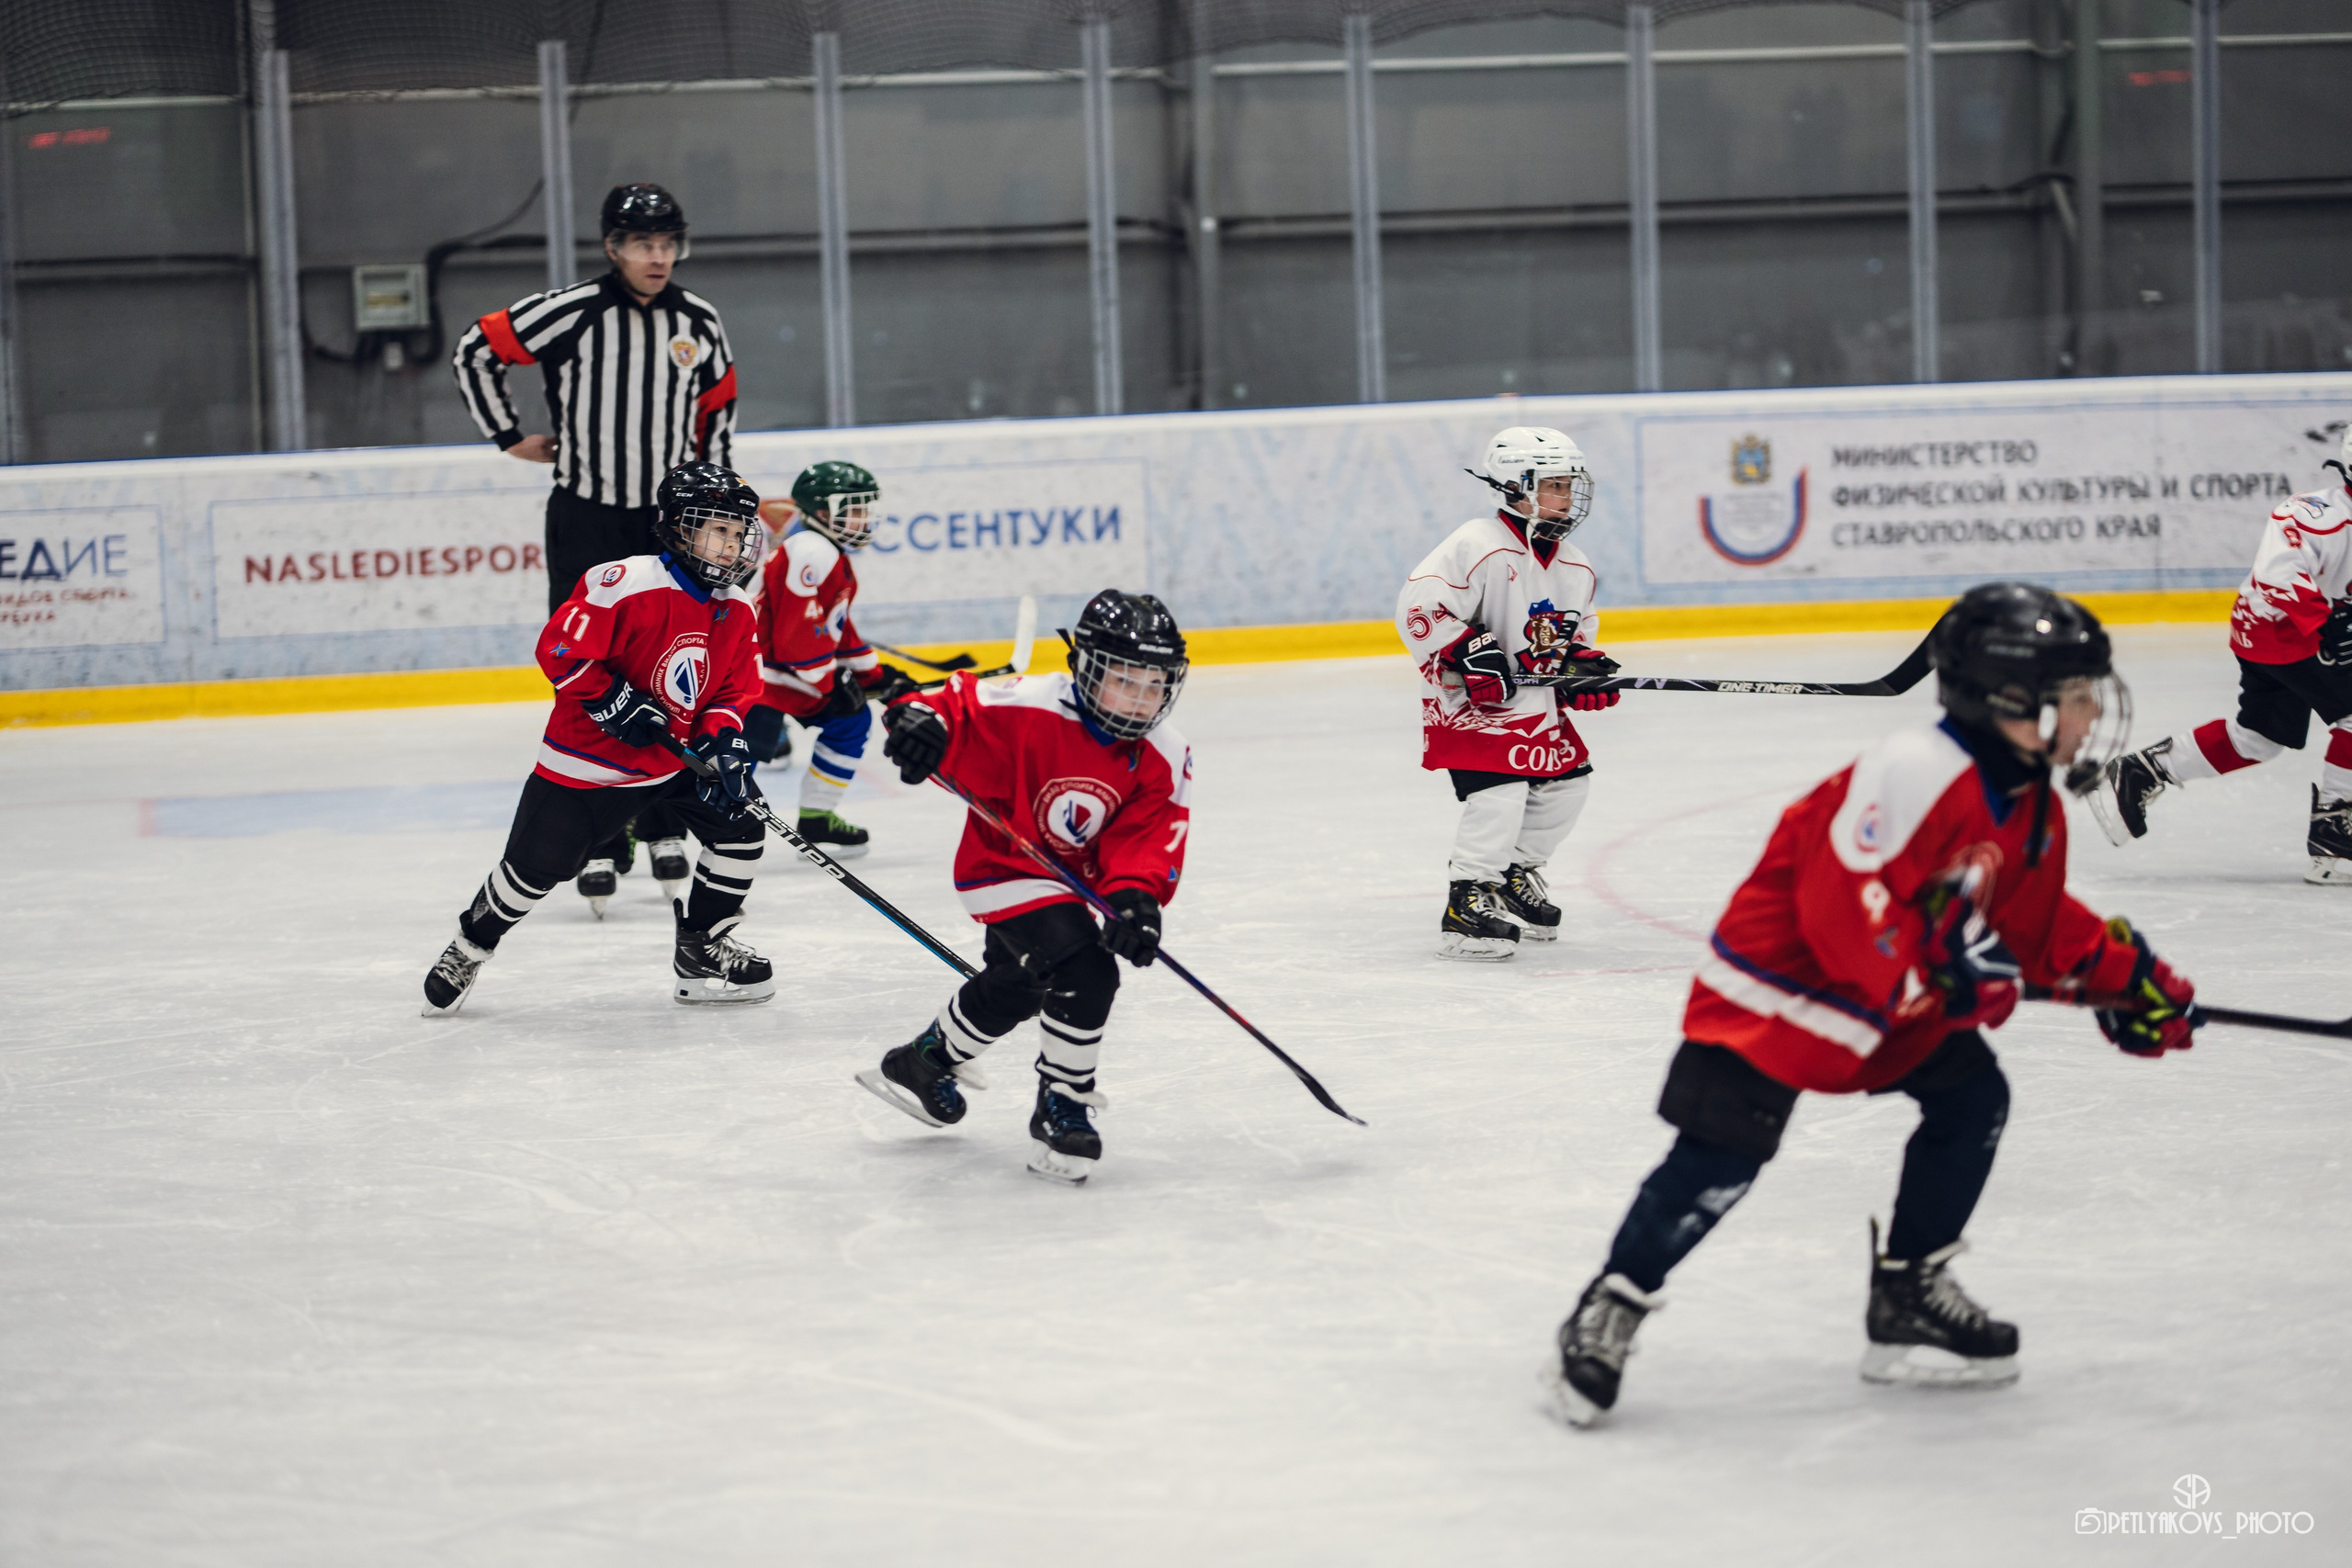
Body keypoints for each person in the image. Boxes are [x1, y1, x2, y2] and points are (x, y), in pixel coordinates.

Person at [1543, 583, 2200, 1428]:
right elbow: (1842, 906)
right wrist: (1943, 979)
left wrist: (2129, 979)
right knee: (1719, 1158)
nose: (2088, 717)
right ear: (2010, 697)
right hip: (1778, 992)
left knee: (1972, 1100)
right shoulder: (1915, 769)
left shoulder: (2031, 800)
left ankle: (1910, 1290)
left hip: (1899, 990)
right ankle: (1613, 1302)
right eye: (2073, 697)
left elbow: (2033, 922)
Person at [453, 182, 739, 911]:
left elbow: (718, 414)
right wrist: (510, 437)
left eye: (668, 243)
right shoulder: (572, 311)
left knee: (677, 670)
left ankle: (664, 815)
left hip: (669, 526)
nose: (657, 256)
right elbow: (476, 349)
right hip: (585, 514)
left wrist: (720, 511)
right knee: (588, 663)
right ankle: (604, 826)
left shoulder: (698, 321)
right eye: (643, 244)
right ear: (613, 248)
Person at [853, 590, 1193, 1185]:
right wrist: (919, 724)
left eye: (1154, 684)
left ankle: (922, 1061)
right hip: (1003, 865)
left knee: (1022, 984)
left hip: (1069, 882)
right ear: (1085, 668)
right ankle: (1062, 1106)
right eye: (1124, 681)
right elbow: (948, 705)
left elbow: (1149, 831)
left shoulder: (1166, 753)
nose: (1141, 700)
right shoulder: (1030, 702)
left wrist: (1136, 896)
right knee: (1086, 972)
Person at [420, 463, 776, 1015]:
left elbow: (732, 691)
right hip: (587, 765)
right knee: (530, 876)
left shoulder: (736, 609)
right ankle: (471, 945)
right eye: (717, 529)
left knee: (742, 829)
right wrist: (609, 698)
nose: (730, 546)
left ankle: (702, 949)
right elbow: (558, 650)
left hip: (670, 763)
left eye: (737, 533)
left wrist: (724, 740)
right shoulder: (625, 583)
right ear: (680, 528)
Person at [2086, 423, 2352, 883]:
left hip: (2289, 632)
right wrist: (2326, 624)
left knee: (2260, 738)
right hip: (2279, 631)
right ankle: (2335, 831)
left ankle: (2144, 771)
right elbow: (2277, 573)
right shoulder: (2315, 514)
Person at [1396, 426, 1620, 961]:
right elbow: (1419, 609)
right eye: (1556, 485)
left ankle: (1513, 876)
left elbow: (1573, 633)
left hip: (1534, 707)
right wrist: (1468, 649)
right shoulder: (1476, 544)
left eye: (1570, 485)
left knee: (1568, 787)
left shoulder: (1576, 564)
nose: (1568, 497)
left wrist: (1579, 668)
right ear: (1516, 487)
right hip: (1473, 707)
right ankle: (1466, 900)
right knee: (1499, 795)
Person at [742, 461, 920, 856]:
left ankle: (817, 818)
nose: (865, 518)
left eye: (866, 508)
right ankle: (681, 824)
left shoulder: (826, 550)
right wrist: (828, 683)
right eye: (855, 508)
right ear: (823, 512)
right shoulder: (810, 551)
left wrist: (872, 674)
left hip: (781, 673)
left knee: (850, 720)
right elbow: (796, 636)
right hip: (755, 677)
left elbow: (833, 626)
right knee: (738, 759)